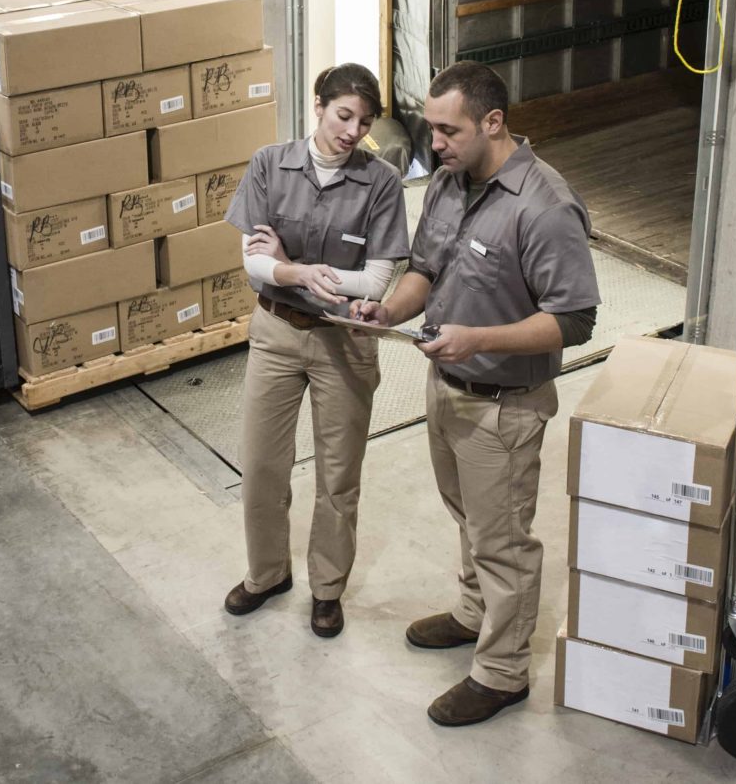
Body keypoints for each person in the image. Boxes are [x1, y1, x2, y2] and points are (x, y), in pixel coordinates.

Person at [351, 61, 600, 727]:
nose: (434, 143)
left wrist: (478, 337)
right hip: (447, 386)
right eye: (430, 128)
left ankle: (502, 671)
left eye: (447, 129)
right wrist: (387, 310)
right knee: (469, 516)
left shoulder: (544, 206)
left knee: (504, 539)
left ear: (493, 122)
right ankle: (471, 612)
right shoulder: (448, 183)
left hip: (502, 404)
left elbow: (575, 317)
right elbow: (425, 270)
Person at [221, 64, 409, 638]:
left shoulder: (380, 183)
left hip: (344, 343)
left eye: (365, 122)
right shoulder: (268, 165)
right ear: (319, 106)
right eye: (343, 115)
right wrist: (298, 272)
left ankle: (327, 589)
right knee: (260, 465)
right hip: (276, 334)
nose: (352, 131)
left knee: (338, 473)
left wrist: (293, 270)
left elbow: (377, 281)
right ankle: (266, 573)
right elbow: (252, 262)